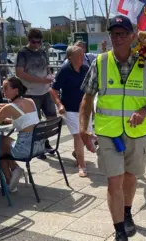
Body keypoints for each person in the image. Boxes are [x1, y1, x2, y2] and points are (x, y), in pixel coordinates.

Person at [79, 15, 146, 241]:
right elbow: (86, 98)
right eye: (113, 34)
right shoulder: (100, 62)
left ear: (131, 36)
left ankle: (127, 211)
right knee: (113, 180)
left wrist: (144, 110)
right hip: (108, 133)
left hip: (136, 133)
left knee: (130, 177)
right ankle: (119, 234)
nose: (116, 38)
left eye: (121, 34)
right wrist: (83, 129)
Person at [0, 76, 44, 193]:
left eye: (6, 88)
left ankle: (11, 178)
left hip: (25, 149)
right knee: (2, 142)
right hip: (38, 145)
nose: (3, 91)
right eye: (3, 88)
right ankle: (14, 173)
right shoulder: (30, 101)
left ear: (16, 90)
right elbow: (25, 119)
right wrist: (5, 113)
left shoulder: (8, 107)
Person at [51, 46, 91, 177]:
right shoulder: (64, 71)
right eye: (79, 56)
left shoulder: (85, 69)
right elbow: (53, 90)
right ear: (70, 58)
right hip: (69, 109)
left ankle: (77, 153)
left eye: (83, 55)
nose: (82, 58)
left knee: (86, 136)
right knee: (78, 135)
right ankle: (82, 165)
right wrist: (59, 105)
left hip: (84, 110)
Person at [15, 29, 56, 157]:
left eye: (39, 42)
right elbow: (19, 73)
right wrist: (41, 80)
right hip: (31, 93)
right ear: (29, 40)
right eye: (34, 41)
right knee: (35, 122)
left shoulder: (43, 51)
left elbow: (47, 66)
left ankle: (45, 142)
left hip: (45, 91)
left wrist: (49, 76)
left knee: (52, 118)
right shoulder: (22, 53)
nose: (36, 44)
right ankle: (38, 147)